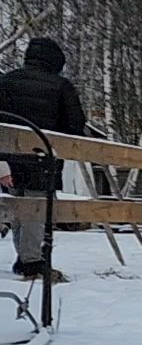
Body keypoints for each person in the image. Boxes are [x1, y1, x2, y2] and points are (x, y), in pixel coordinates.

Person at [0, 37, 89, 282]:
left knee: (18, 206)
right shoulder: (61, 86)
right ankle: (32, 263)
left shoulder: (6, 81)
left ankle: (26, 258)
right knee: (36, 209)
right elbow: (75, 125)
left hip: (9, 158)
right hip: (42, 158)